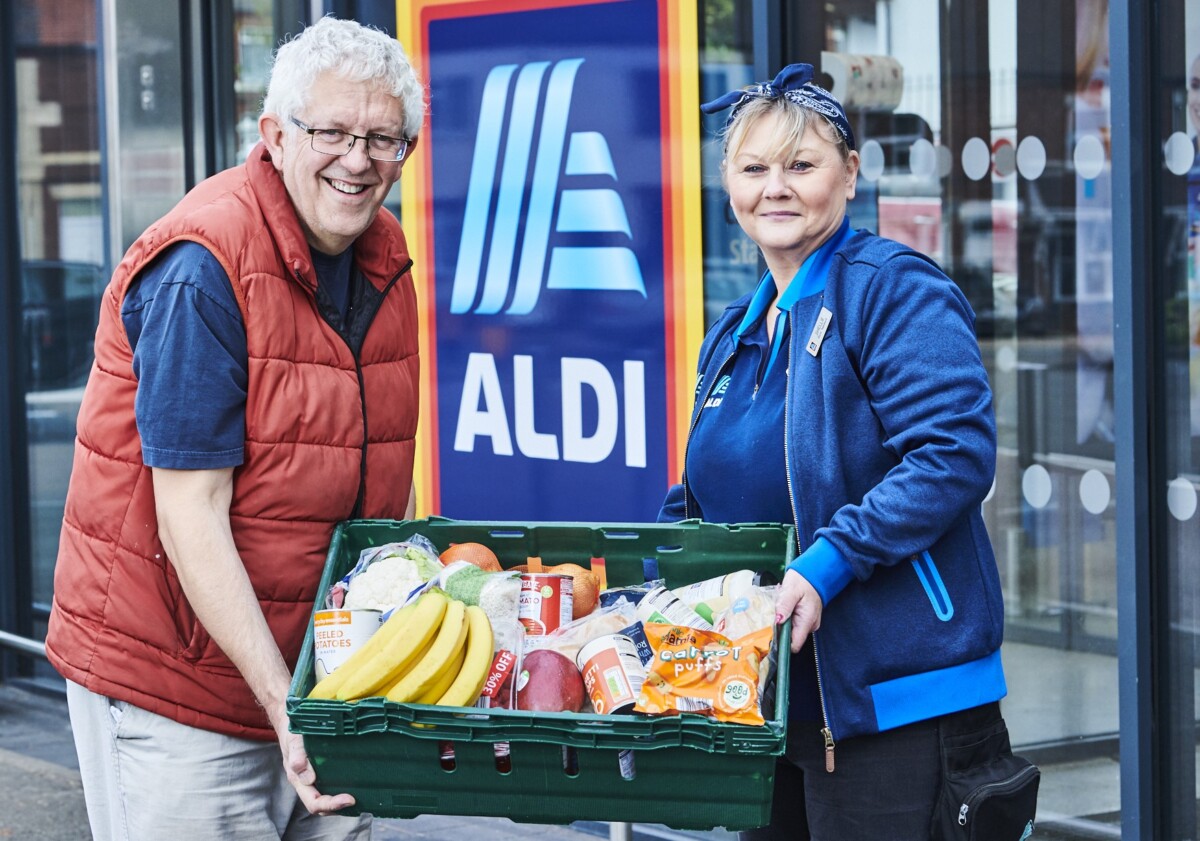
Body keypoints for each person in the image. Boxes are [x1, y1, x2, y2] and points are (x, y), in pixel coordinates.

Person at [45, 16, 424, 840]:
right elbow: (190, 513)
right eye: (331, 131)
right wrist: (284, 703)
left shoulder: (383, 257)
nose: (357, 160)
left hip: (319, 685)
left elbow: (376, 477)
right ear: (275, 136)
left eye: (383, 139)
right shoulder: (203, 268)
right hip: (180, 687)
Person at [659, 64, 1013, 839]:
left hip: (901, 706)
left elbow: (952, 452)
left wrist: (828, 562)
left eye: (801, 164)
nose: (775, 188)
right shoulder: (732, 335)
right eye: (754, 169)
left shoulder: (892, 292)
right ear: (729, 186)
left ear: (849, 175)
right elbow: (700, 500)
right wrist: (645, 580)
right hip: (773, 703)